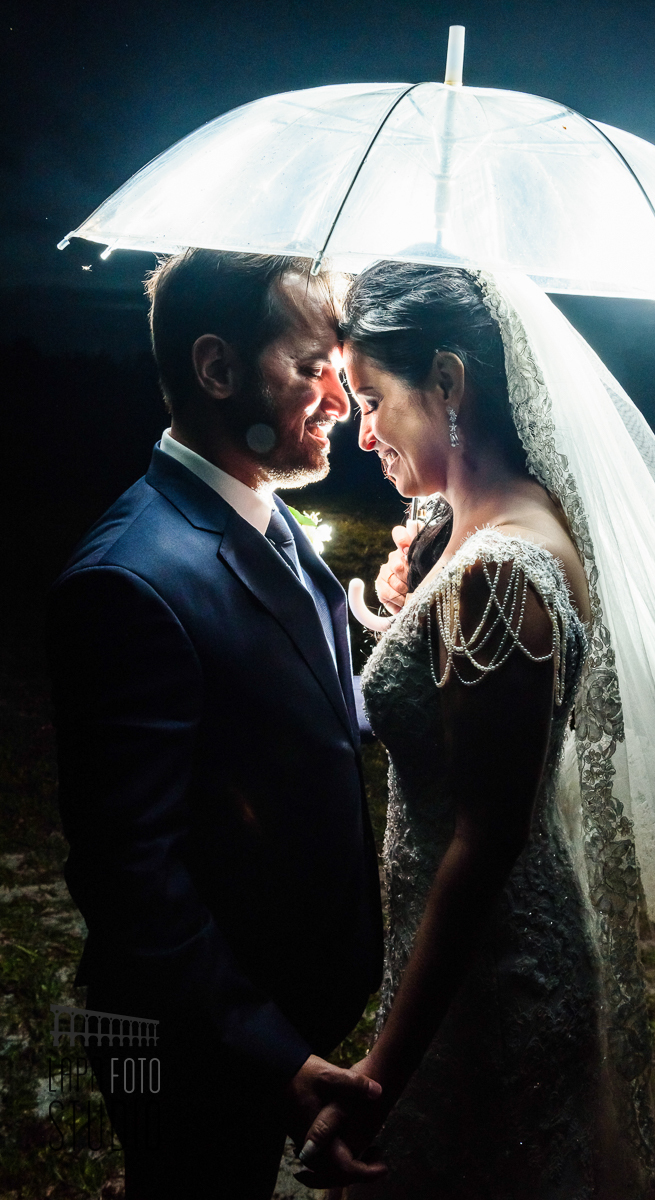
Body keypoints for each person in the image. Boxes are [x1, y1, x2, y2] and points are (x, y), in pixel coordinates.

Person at [301, 262, 655, 1200]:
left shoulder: (500, 575)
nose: (361, 431)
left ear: (449, 383)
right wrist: (411, 611)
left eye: (372, 400)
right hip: (470, 949)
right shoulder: (502, 524)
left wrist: (377, 1080)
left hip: (486, 969)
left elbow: (483, 845)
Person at [46, 249, 388, 1199]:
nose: (338, 392)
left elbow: (299, 709)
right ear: (216, 369)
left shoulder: (263, 510)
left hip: (288, 992)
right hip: (190, 1037)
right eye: (310, 364)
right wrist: (274, 1057)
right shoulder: (129, 581)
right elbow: (129, 878)